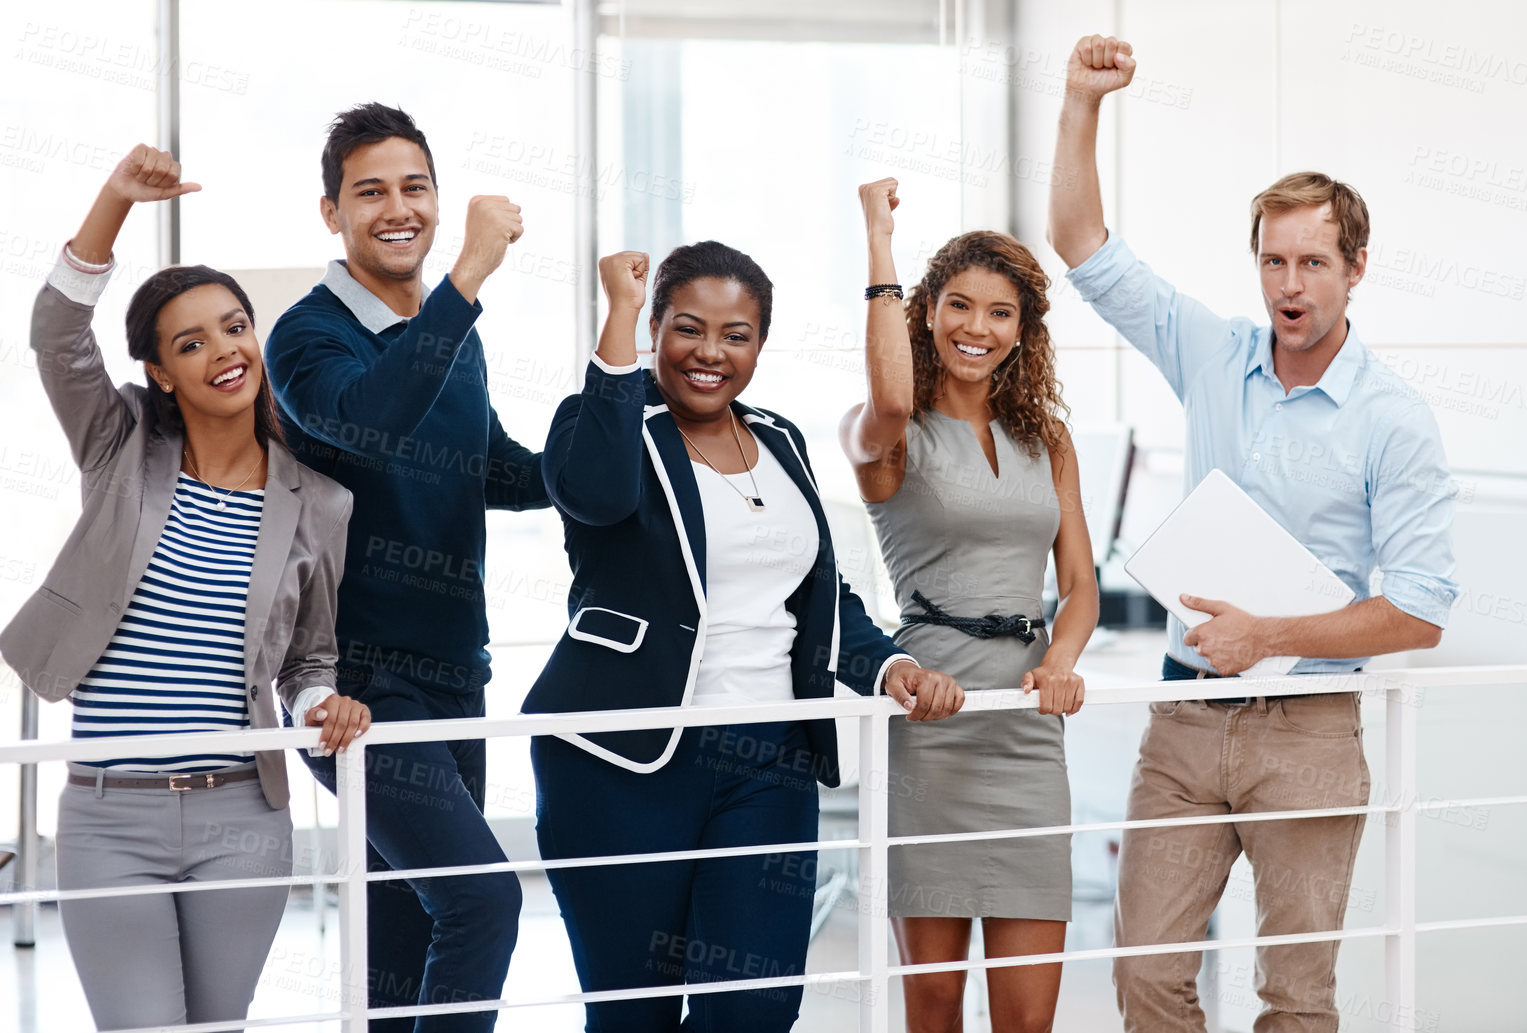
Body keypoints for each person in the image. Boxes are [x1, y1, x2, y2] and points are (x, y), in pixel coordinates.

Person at [1047, 35, 1462, 1033]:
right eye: (1273, 260)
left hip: (1310, 728)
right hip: (1187, 718)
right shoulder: (1211, 353)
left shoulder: (1392, 419)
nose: (1290, 282)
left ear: (1354, 268)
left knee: (1295, 997)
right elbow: (1078, 243)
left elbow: (1418, 613)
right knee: (1144, 972)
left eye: (1312, 261)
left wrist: (1268, 635)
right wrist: (1079, 102)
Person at [525, 242, 966, 1032]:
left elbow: (819, 593)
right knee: (634, 1015)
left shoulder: (782, 439)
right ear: (655, 327)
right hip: (624, 758)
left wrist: (888, 663)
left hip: (770, 756)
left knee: (756, 1005)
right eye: (687, 328)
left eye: (737, 335)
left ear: (760, 344)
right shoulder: (607, 424)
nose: (710, 352)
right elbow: (593, 493)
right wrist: (617, 318)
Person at [0, 144, 370, 1031]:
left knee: (216, 1026)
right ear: (161, 372)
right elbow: (56, 335)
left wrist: (324, 699)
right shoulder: (119, 445)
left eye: (234, 327)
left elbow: (306, 656)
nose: (223, 351)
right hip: (106, 817)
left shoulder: (318, 501)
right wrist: (116, 202)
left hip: (241, 815)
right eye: (190, 342)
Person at [264, 103, 551, 1032]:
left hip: (454, 674)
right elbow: (371, 426)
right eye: (370, 191)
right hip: (355, 687)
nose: (399, 209)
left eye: (415, 187)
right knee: (483, 900)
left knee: (399, 942)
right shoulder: (305, 338)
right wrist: (466, 278)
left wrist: (615, 450)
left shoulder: (446, 332)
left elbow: (490, 465)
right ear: (330, 212)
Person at [838, 180, 1099, 1033]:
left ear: (1023, 332)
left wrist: (1060, 663)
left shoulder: (1046, 436)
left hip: (1027, 730)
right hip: (934, 725)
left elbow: (1081, 585)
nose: (975, 329)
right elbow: (888, 399)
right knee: (937, 1000)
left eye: (998, 313)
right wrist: (879, 245)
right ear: (926, 310)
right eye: (957, 305)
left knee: (1028, 1013)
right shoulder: (889, 432)